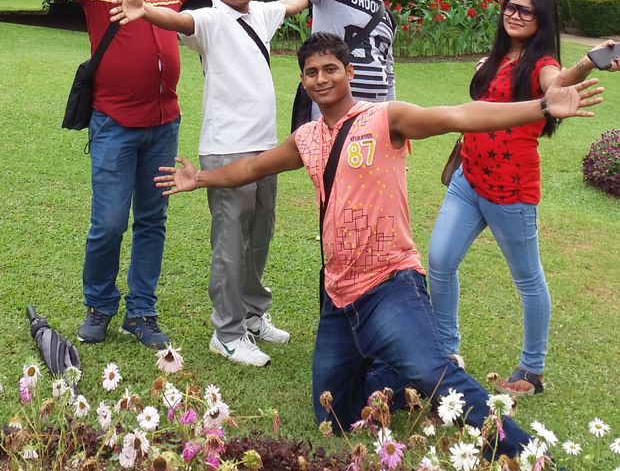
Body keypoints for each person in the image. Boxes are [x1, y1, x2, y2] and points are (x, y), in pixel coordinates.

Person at [153, 32, 602, 462]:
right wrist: (201, 177)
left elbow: (460, 115)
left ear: (349, 72)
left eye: (331, 69)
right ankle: (406, 374)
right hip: (337, 294)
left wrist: (542, 107)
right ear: (303, 80)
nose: (322, 79)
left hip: (390, 282)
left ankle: (527, 454)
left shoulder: (386, 119)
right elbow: (253, 168)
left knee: (436, 374)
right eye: (312, 72)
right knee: (332, 414)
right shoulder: (306, 138)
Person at [0, 0, 292, 349]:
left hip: (164, 125)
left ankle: (141, 312)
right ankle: (99, 306)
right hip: (113, 124)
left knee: (153, 221)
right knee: (109, 223)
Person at [109, 0, 308, 366]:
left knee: (260, 235)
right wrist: (146, 10)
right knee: (230, 243)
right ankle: (228, 332)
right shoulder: (210, 20)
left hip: (265, 147)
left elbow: (294, 3)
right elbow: (178, 20)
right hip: (225, 149)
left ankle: (253, 314)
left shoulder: (262, 14)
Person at [427, 0, 620, 395]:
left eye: (526, 11)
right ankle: (446, 351)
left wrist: (587, 63)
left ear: (542, 19)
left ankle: (532, 370)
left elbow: (557, 83)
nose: (515, 15)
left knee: (528, 279)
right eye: (511, 7)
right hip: (468, 178)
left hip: (510, 190)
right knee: (440, 259)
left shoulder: (541, 64)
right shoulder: (497, 56)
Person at [275, 0, 404, 124]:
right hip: (332, 120)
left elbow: (387, 73)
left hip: (373, 123)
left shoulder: (387, 17)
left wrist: (391, 123)